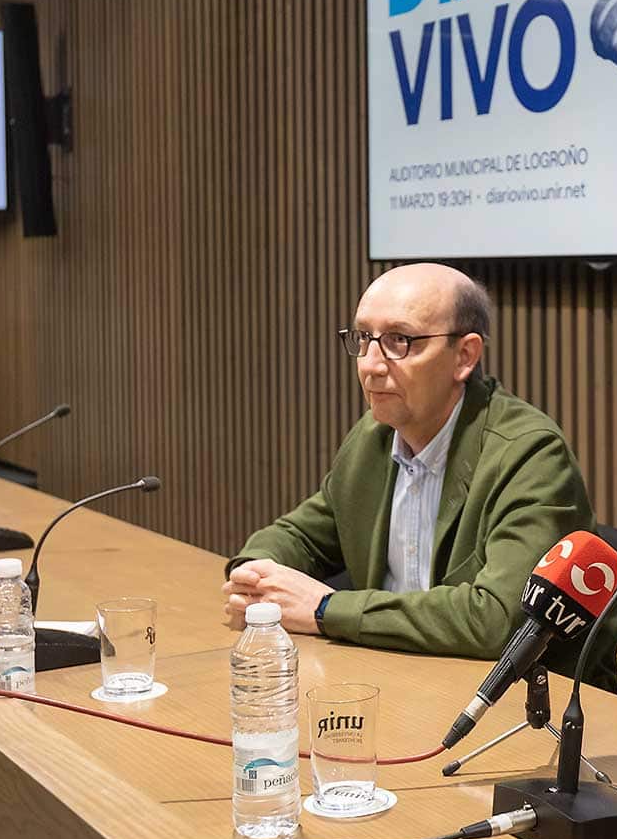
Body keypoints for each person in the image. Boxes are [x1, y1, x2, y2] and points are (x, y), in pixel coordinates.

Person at [223, 263, 593, 659]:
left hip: (519, 698)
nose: (370, 364)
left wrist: (326, 609)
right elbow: (301, 535)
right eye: (365, 338)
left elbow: (500, 621)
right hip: (399, 672)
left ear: (464, 356)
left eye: (400, 340)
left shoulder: (530, 453)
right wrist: (254, 576)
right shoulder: (373, 438)